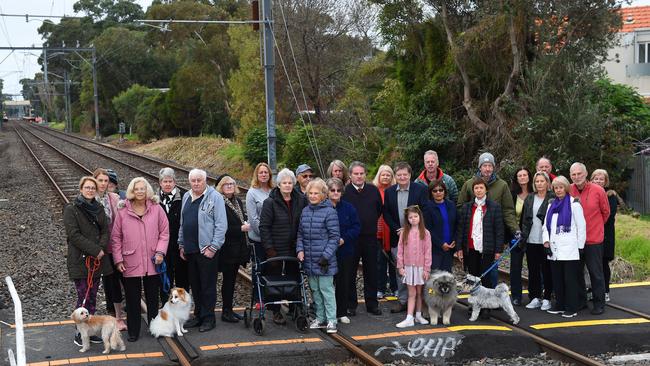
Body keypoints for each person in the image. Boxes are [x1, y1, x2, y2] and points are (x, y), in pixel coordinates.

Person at [111, 177, 169, 342]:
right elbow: (115, 238)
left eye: (143, 188)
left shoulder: (157, 209)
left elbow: (164, 233)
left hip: (153, 260)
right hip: (130, 260)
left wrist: (160, 252)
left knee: (152, 297)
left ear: (147, 190)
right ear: (132, 191)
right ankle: (134, 331)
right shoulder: (123, 211)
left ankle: (154, 328)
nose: (140, 191)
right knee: (132, 297)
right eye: (137, 189)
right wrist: (118, 260)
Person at [64, 176, 113, 346]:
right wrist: (95, 250)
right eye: (87, 187)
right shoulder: (71, 209)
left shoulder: (98, 208)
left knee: (92, 296)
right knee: (83, 296)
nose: (91, 190)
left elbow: (105, 230)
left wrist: (100, 248)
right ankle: (80, 333)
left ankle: (89, 331)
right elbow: (74, 235)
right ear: (81, 189)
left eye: (93, 187)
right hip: (80, 261)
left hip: (96, 261)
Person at [457, 152, 519, 287]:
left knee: (491, 272)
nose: (487, 169)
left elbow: (508, 210)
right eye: (484, 165)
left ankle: (491, 301)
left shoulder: (502, 185)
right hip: (473, 237)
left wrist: (515, 230)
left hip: (491, 237)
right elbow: (461, 208)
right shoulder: (468, 184)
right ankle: (476, 302)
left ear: (494, 167)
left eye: (490, 165)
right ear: (480, 167)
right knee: (473, 272)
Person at [178, 169, 227, 332]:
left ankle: (208, 318)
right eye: (193, 180)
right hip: (190, 250)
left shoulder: (215, 197)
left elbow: (221, 225)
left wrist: (213, 247)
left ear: (205, 181)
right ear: (189, 181)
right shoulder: (186, 196)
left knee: (207, 285)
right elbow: (182, 223)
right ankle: (198, 315)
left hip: (207, 250)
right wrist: (181, 244)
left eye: (199, 180)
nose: (196, 183)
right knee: (195, 285)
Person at [260, 168, 307, 324]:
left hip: (294, 246)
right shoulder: (270, 202)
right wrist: (269, 249)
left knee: (294, 276)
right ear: (278, 185)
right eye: (284, 183)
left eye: (290, 183)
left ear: (294, 184)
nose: (287, 185)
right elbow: (264, 227)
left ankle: (295, 307)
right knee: (274, 279)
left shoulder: (301, 199)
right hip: (276, 248)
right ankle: (275, 310)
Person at [382, 162, 429, 314]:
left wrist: (411, 228)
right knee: (400, 269)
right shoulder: (389, 192)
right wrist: (398, 229)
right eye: (399, 175)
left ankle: (419, 304)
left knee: (419, 270)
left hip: (417, 238)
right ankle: (403, 300)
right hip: (398, 237)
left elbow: (425, 211)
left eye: (405, 174)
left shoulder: (420, 190)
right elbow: (386, 213)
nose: (402, 177)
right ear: (395, 176)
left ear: (410, 175)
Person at [297, 178, 341, 334]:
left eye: (316, 193)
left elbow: (335, 237)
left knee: (326, 290)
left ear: (323, 195)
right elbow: (300, 234)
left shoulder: (330, 212)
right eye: (310, 193)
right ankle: (320, 318)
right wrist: (299, 250)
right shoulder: (305, 211)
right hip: (309, 259)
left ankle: (331, 320)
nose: (313, 196)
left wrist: (326, 256)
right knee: (315, 290)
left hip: (324, 261)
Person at [342, 161, 383, 316]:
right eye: (356, 174)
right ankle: (350, 305)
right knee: (349, 272)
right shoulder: (345, 192)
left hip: (370, 238)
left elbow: (378, 209)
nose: (359, 176)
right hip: (351, 239)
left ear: (365, 174)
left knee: (372, 271)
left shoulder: (373, 190)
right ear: (350, 175)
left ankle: (372, 304)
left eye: (361, 173)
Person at [569, 162, 609, 315]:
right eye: (574, 174)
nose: (577, 177)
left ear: (586, 174)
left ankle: (599, 304)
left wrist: (595, 227)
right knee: (577, 272)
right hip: (575, 240)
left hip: (593, 239)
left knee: (596, 273)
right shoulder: (569, 190)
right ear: (570, 176)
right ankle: (581, 301)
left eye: (579, 173)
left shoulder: (598, 190)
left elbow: (606, 213)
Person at [543, 176, 586, 318]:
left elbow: (582, 227)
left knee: (570, 280)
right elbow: (545, 226)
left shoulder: (574, 204)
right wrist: (546, 242)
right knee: (557, 279)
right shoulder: (551, 205)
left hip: (570, 250)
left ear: (566, 188)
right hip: (554, 249)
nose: (558, 190)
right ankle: (560, 304)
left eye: (561, 187)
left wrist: (580, 247)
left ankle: (572, 307)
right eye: (556, 188)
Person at [93, 168, 126, 331]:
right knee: (103, 282)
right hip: (96, 248)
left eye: (106, 181)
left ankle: (119, 317)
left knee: (114, 281)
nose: (104, 184)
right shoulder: (90, 198)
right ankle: (108, 314)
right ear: (94, 181)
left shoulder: (114, 198)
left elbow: (122, 220)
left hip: (113, 247)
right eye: (100, 180)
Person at [456, 178, 505, 288]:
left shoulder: (494, 207)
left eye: (481, 188)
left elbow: (499, 230)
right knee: (473, 277)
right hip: (470, 247)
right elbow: (461, 229)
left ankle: (487, 304)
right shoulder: (467, 207)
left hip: (487, 248)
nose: (479, 190)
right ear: (473, 191)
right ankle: (476, 303)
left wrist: (498, 250)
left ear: (486, 190)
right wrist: (459, 248)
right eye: (476, 188)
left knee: (486, 278)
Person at [216, 175, 250, 323]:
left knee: (231, 280)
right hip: (227, 248)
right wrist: (241, 228)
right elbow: (220, 227)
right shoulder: (219, 202)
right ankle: (226, 312)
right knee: (228, 281)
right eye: (226, 184)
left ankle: (228, 310)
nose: (229, 186)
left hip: (238, 248)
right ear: (221, 187)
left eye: (231, 183)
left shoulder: (237, 201)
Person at [327, 178, 360, 325]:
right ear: (327, 192)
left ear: (342, 192)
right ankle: (327, 312)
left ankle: (341, 312)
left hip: (344, 250)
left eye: (338, 190)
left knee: (343, 282)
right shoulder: (322, 207)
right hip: (326, 252)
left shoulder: (349, 208)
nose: (335, 193)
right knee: (326, 283)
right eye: (332, 190)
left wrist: (344, 239)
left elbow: (356, 227)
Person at [521, 171, 554, 311]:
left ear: (547, 183)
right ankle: (535, 297)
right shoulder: (529, 198)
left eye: (542, 181)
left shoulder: (552, 198)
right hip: (531, 239)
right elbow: (524, 218)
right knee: (533, 270)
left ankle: (547, 298)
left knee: (547, 270)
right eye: (537, 181)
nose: (539, 184)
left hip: (546, 240)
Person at [395, 205, 432, 328]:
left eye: (415, 216)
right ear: (407, 219)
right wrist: (400, 266)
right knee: (412, 293)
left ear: (420, 217)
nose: (413, 219)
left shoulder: (426, 233)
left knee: (420, 292)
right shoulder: (404, 232)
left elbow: (428, 252)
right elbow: (400, 251)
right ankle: (409, 317)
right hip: (409, 267)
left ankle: (418, 315)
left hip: (421, 268)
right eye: (410, 217)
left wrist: (427, 269)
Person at [246, 162, 274, 307]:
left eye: (266, 172)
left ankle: (270, 296)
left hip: (274, 238)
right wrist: (265, 236)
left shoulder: (274, 190)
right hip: (258, 238)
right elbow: (253, 218)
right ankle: (258, 298)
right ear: (257, 175)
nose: (263, 174)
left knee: (272, 268)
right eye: (261, 172)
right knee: (259, 268)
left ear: (269, 174)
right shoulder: (252, 192)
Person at [158, 168, 189, 300]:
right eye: (165, 181)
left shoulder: (184, 196)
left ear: (175, 182)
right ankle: (166, 308)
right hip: (163, 247)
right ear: (160, 183)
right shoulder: (155, 199)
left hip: (179, 244)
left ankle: (183, 307)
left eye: (170, 181)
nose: (168, 184)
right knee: (165, 278)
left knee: (183, 278)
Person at [590, 169, 618, 302]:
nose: (599, 181)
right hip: (591, 234)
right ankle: (593, 290)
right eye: (596, 178)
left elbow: (608, 215)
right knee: (592, 265)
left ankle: (605, 291)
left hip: (605, 235)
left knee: (602, 263)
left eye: (601, 179)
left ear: (606, 181)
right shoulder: (589, 193)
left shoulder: (611, 196)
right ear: (592, 179)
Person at [509, 167, 533, 306]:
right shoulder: (512, 194)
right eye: (520, 175)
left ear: (529, 177)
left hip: (532, 235)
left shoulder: (535, 193)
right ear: (517, 179)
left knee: (534, 266)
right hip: (516, 235)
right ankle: (516, 296)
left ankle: (534, 295)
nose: (523, 177)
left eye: (525, 175)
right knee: (515, 267)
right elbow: (509, 215)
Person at [373, 164, 397, 299]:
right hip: (378, 230)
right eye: (383, 174)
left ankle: (395, 287)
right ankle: (380, 288)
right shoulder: (374, 190)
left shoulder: (395, 190)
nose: (386, 177)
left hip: (392, 229)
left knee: (394, 261)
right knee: (379, 262)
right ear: (379, 176)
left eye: (388, 174)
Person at [423, 179, 457, 272]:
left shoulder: (451, 205)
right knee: (435, 278)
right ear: (431, 193)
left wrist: (454, 240)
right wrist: (441, 244)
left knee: (447, 277)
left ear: (445, 191)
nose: (438, 192)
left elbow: (457, 224)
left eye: (441, 190)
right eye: (435, 190)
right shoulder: (427, 207)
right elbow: (428, 229)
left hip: (449, 247)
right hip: (435, 249)